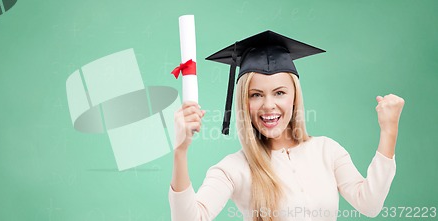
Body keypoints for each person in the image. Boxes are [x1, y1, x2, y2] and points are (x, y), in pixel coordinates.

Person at [169, 30, 404, 221]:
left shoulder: (327, 151)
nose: (268, 105)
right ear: (243, 101)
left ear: (294, 96)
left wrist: (388, 130)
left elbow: (370, 204)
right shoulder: (234, 169)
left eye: (279, 92)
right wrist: (180, 151)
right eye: (256, 95)